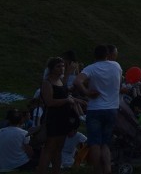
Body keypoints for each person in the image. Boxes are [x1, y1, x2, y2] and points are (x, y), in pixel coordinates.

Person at [74, 44, 122, 174]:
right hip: (112, 108)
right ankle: (108, 169)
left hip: (95, 109)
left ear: (94, 56)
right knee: (105, 143)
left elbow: (77, 81)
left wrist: (87, 92)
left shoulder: (91, 68)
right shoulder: (116, 66)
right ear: (108, 55)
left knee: (95, 143)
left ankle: (97, 170)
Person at [37, 56, 81, 174]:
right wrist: (67, 100)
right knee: (49, 149)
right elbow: (49, 102)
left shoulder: (61, 81)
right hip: (52, 118)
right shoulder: (47, 83)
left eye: (62, 66)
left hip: (62, 119)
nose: (61, 68)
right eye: (58, 66)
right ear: (51, 68)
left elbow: (64, 92)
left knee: (58, 149)